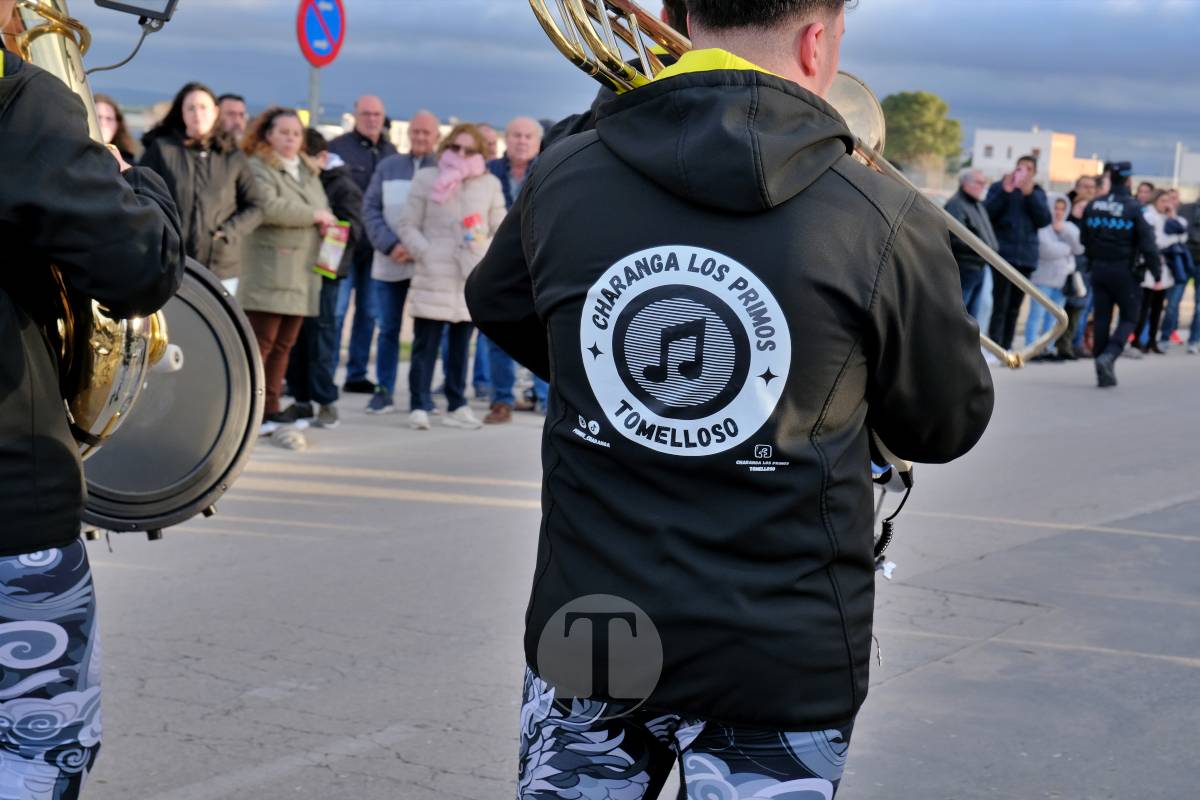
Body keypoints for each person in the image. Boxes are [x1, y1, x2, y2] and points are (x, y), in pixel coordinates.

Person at [467, 0, 994, 795]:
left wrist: (613, 385)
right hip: (780, 646)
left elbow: (499, 303)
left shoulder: (563, 172)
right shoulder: (885, 215)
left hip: (595, 622)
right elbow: (944, 424)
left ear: (677, 19)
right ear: (816, 42)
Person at [1, 22, 184, 797]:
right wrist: (139, 185)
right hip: (10, 507)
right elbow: (139, 266)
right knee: (34, 759)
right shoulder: (17, 100)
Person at [398, 123, 505, 431]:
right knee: (425, 344)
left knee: (460, 347)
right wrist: (425, 252)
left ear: (479, 153)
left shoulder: (489, 184)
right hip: (434, 271)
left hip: (469, 274)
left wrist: (482, 249)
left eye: (469, 150)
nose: (461, 154)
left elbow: (500, 228)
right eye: (455, 147)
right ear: (445, 147)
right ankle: (419, 404)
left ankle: (457, 404)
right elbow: (407, 224)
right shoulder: (427, 178)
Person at [238, 108, 336, 429]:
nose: (291, 139)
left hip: (302, 271)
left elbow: (323, 206)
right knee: (261, 343)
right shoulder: (258, 167)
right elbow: (269, 207)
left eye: (296, 133)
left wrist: (326, 220)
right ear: (268, 135)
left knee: (284, 345)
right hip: (271, 268)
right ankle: (249, 408)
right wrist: (315, 216)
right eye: (284, 132)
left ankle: (271, 407)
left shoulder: (307, 170)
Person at [139, 81, 264, 291]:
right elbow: (140, 196)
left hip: (221, 267)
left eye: (203, 107)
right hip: (168, 262)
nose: (198, 113)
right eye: (191, 108)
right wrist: (160, 233)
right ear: (182, 113)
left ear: (216, 112)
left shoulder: (232, 156)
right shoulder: (162, 150)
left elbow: (256, 206)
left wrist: (227, 232)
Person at [283, 128, 365, 429]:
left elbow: (354, 231)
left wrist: (327, 228)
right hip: (297, 270)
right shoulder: (299, 181)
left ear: (321, 157)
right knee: (296, 338)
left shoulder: (343, 186)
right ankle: (301, 400)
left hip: (326, 274)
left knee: (322, 337)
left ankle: (326, 402)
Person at [360, 110, 440, 415]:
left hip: (426, 267)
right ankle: (384, 390)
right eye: (415, 131)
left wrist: (417, 249)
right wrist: (391, 245)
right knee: (388, 329)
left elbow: (445, 219)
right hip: (389, 263)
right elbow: (370, 209)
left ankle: (422, 395)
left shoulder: (443, 170)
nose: (420, 137)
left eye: (426, 132)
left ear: (436, 137)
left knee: (426, 335)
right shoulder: (388, 166)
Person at [329, 95, 399, 395]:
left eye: (377, 115)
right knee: (336, 312)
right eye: (366, 114)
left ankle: (356, 373)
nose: (372, 119)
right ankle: (327, 373)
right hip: (342, 245)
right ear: (356, 115)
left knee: (369, 313)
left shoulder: (391, 153)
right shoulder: (337, 148)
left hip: (375, 248)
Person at [483, 117, 548, 424]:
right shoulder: (489, 171)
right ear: (506, 139)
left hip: (540, 260)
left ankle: (545, 399)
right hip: (499, 261)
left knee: (545, 330)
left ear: (538, 142)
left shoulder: (550, 167)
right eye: (516, 135)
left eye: (528, 136)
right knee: (498, 330)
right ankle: (502, 399)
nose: (522, 141)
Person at [1081, 162, 1160, 387]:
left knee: (1102, 319)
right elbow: (1148, 244)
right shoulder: (1133, 208)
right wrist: (1156, 272)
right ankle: (1109, 356)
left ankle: (1101, 370)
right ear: (1128, 180)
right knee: (1130, 317)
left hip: (1099, 268)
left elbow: (1084, 238)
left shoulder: (1094, 205)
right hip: (1124, 270)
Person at [984, 154, 1052, 350]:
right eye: (1020, 167)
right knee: (1000, 304)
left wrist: (1030, 195)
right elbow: (987, 213)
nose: (1024, 172)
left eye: (1029, 169)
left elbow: (1043, 220)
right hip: (1002, 256)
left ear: (1035, 173)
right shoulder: (1000, 187)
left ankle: (1007, 346)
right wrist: (1006, 191)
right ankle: (994, 346)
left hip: (1025, 258)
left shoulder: (1037, 193)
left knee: (1014, 306)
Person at [1027, 195, 1082, 358]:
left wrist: (1064, 232)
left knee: (1054, 318)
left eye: (1062, 209)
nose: (1058, 212)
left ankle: (1048, 348)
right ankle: (1032, 349)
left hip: (1062, 281)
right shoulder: (1042, 226)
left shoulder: (1070, 227)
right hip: (1042, 279)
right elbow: (1046, 250)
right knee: (1037, 315)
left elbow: (1079, 248)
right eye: (1055, 208)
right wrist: (1067, 248)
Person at [944, 168, 999, 324]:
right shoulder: (956, 204)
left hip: (979, 267)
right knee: (960, 315)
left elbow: (987, 236)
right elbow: (955, 238)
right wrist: (981, 250)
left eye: (984, 183)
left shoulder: (977, 205)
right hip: (964, 267)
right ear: (965, 183)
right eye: (979, 183)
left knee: (975, 315)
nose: (983, 186)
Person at [1134, 189, 1180, 354]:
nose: (1166, 204)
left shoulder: (1166, 217)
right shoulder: (1149, 215)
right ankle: (1137, 340)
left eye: (1168, 201)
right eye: (1163, 201)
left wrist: (1172, 215)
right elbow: (1154, 241)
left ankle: (1152, 340)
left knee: (1157, 308)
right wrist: (1169, 242)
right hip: (1149, 267)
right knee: (1144, 307)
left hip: (1163, 267)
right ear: (1155, 201)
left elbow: (1181, 234)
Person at [1178, 197, 1200, 353]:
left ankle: (1194, 340)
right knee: (1173, 302)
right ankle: (1165, 336)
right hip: (1186, 260)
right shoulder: (1185, 208)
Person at [93, 92, 138, 163]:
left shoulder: (127, 163)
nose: (103, 123)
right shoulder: (76, 157)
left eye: (109, 119)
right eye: (98, 117)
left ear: (117, 124)